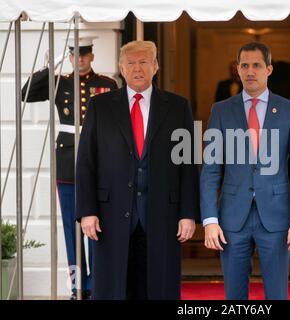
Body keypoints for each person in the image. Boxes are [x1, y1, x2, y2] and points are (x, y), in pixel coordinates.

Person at [76, 40, 199, 300]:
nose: (137, 68)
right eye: (130, 63)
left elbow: (188, 165)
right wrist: (87, 211)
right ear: (121, 68)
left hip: (162, 216)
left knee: (159, 288)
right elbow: (86, 162)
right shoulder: (100, 106)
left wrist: (188, 213)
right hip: (110, 217)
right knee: (113, 289)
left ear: (155, 66)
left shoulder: (178, 107)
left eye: (143, 62)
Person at [200, 42, 290, 300]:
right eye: (245, 65)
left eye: (257, 65)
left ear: (269, 69)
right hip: (232, 220)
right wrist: (209, 220)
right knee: (234, 296)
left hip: (277, 217)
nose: (250, 71)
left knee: (277, 294)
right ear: (237, 70)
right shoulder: (221, 110)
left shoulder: (289, 110)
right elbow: (211, 170)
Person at [21, 36, 118, 300]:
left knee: (97, 225)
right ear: (71, 57)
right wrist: (47, 69)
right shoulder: (59, 82)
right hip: (68, 162)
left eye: (85, 54)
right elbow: (25, 94)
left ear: (92, 56)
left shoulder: (107, 84)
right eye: (75, 55)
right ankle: (79, 285)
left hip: (99, 161)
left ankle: (97, 283)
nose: (81, 59)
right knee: (70, 227)